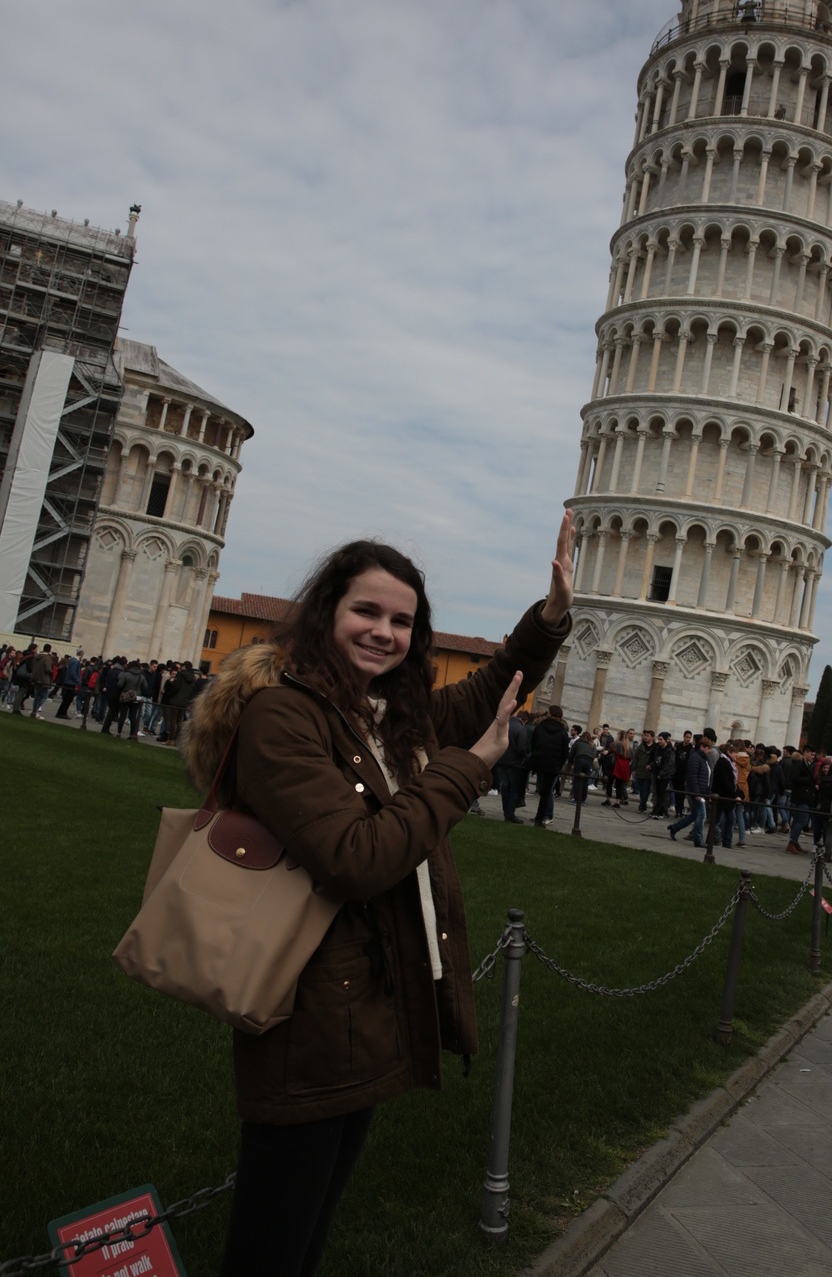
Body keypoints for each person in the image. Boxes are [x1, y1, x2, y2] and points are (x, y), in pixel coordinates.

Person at [182, 512, 574, 1276]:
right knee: (271, 1246)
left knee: (310, 1228)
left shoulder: (390, 714)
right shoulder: (282, 716)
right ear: (327, 610)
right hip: (306, 1012)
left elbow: (493, 688)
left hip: (366, 1006)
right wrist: (468, 770)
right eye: (367, 611)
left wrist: (551, 618)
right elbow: (355, 859)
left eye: (403, 621)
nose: (384, 632)